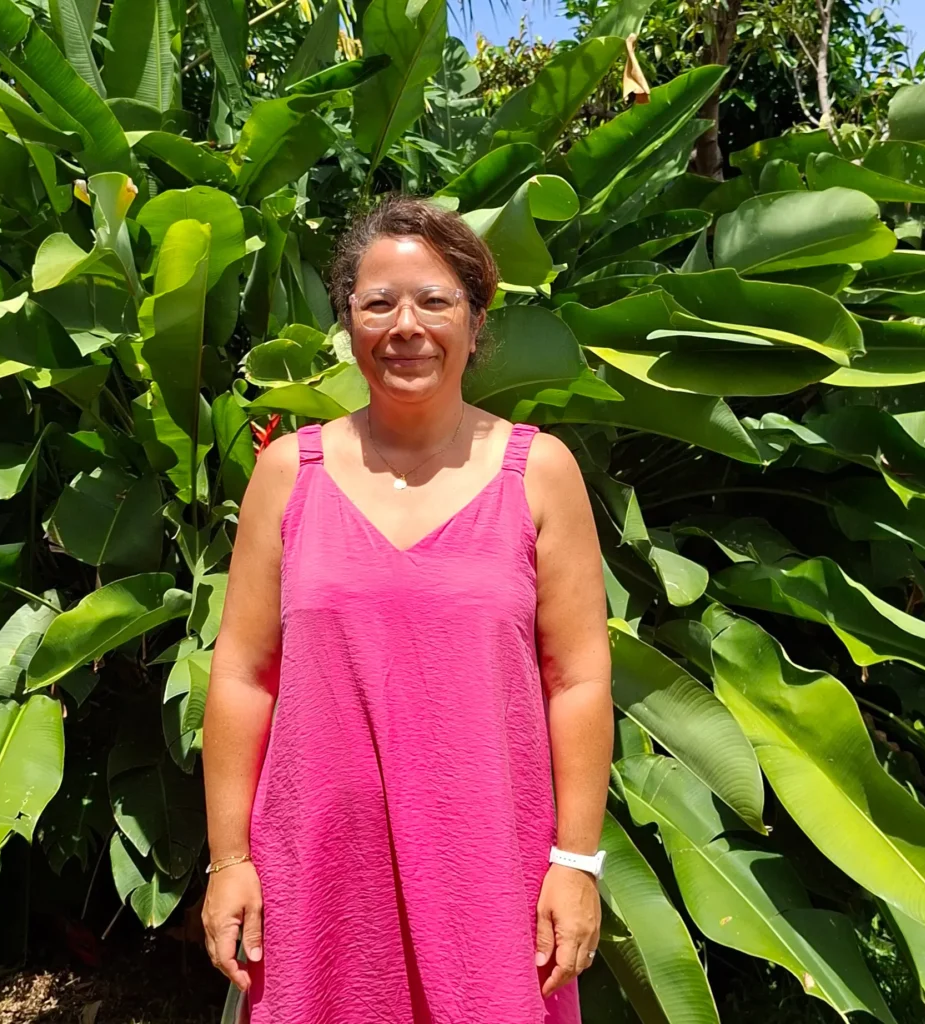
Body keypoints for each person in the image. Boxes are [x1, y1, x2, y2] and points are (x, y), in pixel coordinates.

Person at [201, 193, 614, 1024]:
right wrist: (229, 860)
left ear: (474, 319)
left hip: (490, 868)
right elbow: (243, 675)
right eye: (378, 303)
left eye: (433, 300)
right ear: (347, 321)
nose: (406, 327)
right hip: (320, 869)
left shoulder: (538, 473)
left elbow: (577, 681)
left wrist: (576, 863)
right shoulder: (289, 474)